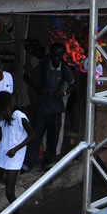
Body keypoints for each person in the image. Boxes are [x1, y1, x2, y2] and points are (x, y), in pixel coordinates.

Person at [0, 91, 34, 214]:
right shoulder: (2, 117)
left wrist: (16, 149)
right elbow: (1, 135)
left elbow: (32, 135)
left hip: (15, 156)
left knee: (9, 191)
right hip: (2, 154)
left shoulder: (19, 116)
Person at [24, 43, 75, 171]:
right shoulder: (43, 66)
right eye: (54, 54)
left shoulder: (64, 69)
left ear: (62, 55)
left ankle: (49, 161)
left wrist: (64, 92)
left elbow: (73, 84)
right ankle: (29, 162)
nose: (56, 57)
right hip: (42, 106)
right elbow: (27, 77)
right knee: (36, 134)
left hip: (56, 108)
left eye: (59, 55)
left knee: (53, 137)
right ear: (50, 53)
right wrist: (38, 89)